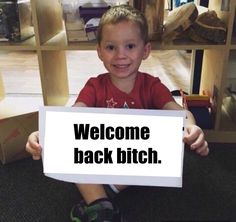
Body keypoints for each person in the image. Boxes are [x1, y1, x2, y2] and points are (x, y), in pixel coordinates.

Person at [26, 4, 209, 222]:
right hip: (100, 157)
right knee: (69, 143)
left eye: (130, 46)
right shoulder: (94, 86)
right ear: (100, 51)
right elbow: (72, 117)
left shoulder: (152, 86)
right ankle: (104, 205)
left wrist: (191, 126)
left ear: (146, 50)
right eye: (111, 47)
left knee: (169, 140)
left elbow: (179, 113)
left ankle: (99, 200)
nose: (120, 55)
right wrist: (46, 133)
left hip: (136, 162)